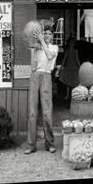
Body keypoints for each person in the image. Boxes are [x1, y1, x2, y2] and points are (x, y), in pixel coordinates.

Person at [25, 26, 58, 154]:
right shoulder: (37, 47)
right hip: (34, 77)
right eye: (45, 33)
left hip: (46, 76)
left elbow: (50, 57)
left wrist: (41, 42)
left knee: (47, 112)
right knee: (32, 113)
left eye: (50, 34)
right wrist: (33, 50)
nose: (47, 35)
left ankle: (50, 143)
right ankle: (31, 145)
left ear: (52, 36)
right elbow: (33, 67)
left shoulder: (54, 48)